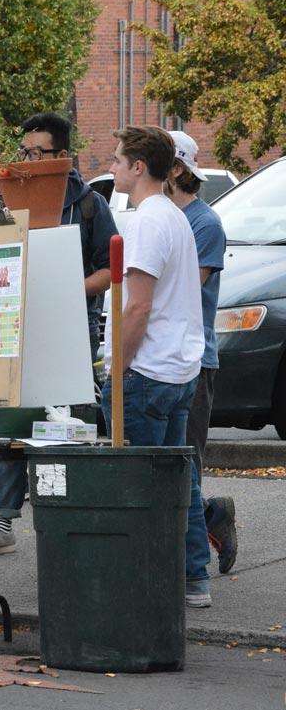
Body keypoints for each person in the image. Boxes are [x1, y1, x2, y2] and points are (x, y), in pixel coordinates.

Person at [0, 111, 118, 558]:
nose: (28, 160)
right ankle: (2, 525)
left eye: (37, 152)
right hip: (15, 330)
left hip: (72, 329)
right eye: (23, 152)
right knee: (10, 422)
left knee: (66, 426)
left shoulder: (90, 205)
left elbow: (109, 270)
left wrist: (65, 289)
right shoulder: (9, 199)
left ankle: (68, 525)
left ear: (63, 156)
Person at [102, 125, 211, 608]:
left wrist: (117, 369)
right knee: (177, 482)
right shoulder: (176, 217)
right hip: (180, 369)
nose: (111, 167)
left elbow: (138, 306)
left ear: (138, 167)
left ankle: (144, 583)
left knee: (138, 486)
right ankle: (192, 578)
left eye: (117, 160)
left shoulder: (146, 221)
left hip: (147, 372)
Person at [164, 130, 237, 575]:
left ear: (175, 169)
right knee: (166, 464)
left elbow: (184, 290)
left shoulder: (205, 224)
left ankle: (194, 557)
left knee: (184, 465)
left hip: (194, 363)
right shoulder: (160, 218)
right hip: (161, 360)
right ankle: (208, 515)